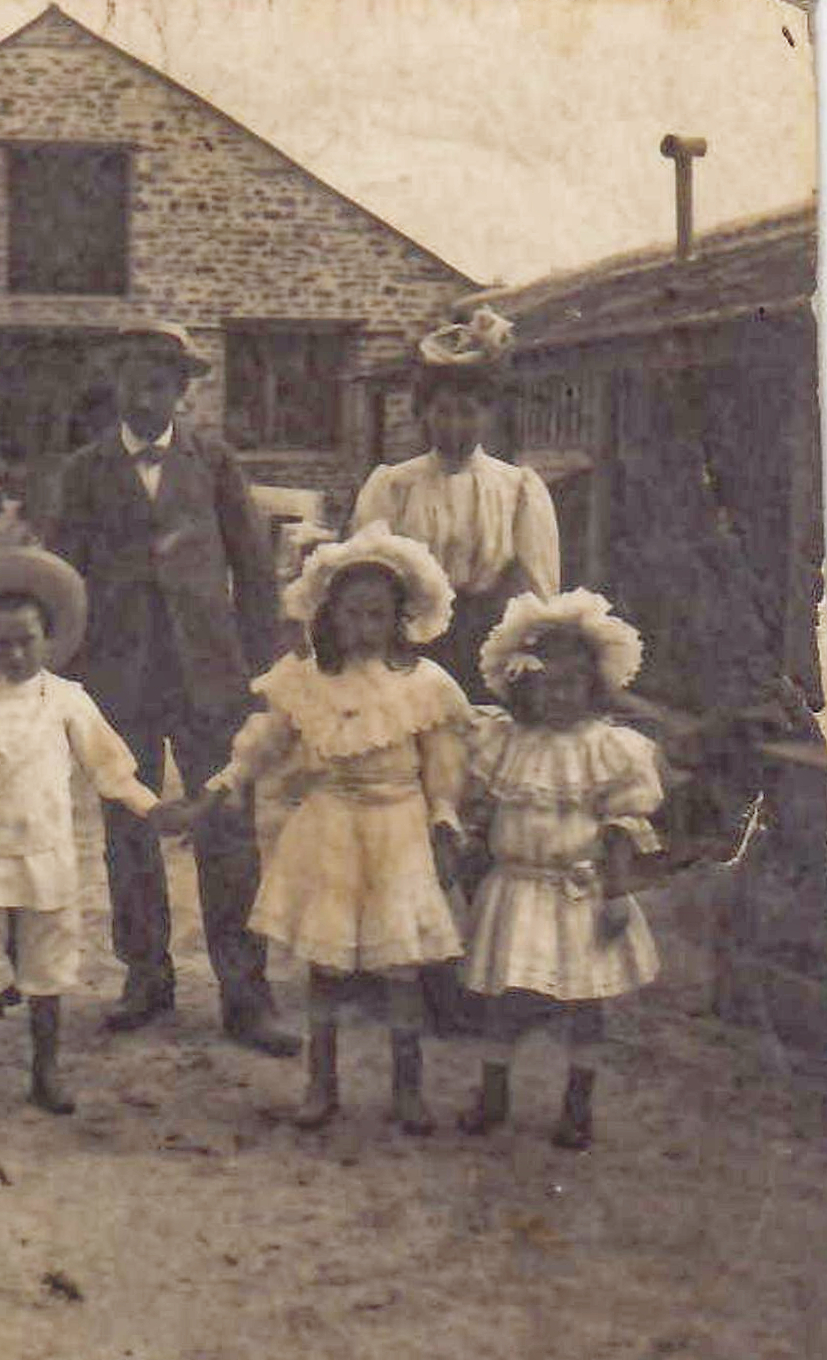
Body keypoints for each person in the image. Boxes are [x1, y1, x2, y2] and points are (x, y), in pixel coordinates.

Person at [46, 322, 298, 1057]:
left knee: (227, 830)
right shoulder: (85, 470)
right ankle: (145, 978)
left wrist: (259, 670)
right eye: (134, 378)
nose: (147, 393)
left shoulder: (214, 461)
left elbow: (254, 569)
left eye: (162, 381)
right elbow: (61, 579)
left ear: (183, 390)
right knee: (130, 829)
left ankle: (246, 995)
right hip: (119, 678)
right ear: (116, 384)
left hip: (209, 677)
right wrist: (68, 680)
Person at [178, 524, 471, 1132]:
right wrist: (225, 783)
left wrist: (443, 815)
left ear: (400, 619)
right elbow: (266, 740)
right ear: (328, 616)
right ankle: (322, 1082)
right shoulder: (308, 680)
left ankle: (407, 1089)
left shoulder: (425, 684)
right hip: (332, 827)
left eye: (378, 615)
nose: (364, 627)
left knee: (402, 967)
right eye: (352, 614)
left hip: (398, 829)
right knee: (327, 963)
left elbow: (443, 763)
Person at [0, 545, 180, 1116]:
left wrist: (149, 806)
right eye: (1, 642)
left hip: (48, 857)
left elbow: (110, 766)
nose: (13, 652)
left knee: (47, 965)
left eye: (26, 640)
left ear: (49, 640)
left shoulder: (67, 700)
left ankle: (45, 1070)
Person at [455, 590, 664, 1150]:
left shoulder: (608, 749)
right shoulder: (507, 742)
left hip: (579, 892)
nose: (558, 697)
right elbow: (486, 808)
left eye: (571, 685)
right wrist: (472, 848)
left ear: (594, 688)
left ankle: (578, 1103)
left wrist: (617, 891)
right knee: (505, 997)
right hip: (517, 889)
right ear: (525, 686)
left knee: (582, 1000)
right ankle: (493, 1090)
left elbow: (623, 826)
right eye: (546, 685)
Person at [350, 307, 560, 693]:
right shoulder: (393, 486)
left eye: (468, 412)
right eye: (442, 412)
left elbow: (535, 590)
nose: (454, 425)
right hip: (405, 653)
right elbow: (365, 583)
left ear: (488, 413)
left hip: (489, 654)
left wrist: (522, 657)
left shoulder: (518, 489)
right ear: (423, 414)